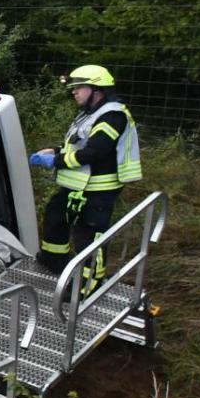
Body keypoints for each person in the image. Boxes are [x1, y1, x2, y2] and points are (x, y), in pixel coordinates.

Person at [31, 64, 143, 294]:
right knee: (55, 215)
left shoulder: (113, 116)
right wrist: (54, 151)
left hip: (100, 188)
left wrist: (58, 161)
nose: (74, 91)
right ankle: (54, 261)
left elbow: (95, 152)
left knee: (89, 236)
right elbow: (79, 145)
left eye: (79, 87)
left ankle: (88, 287)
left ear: (97, 89)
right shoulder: (90, 114)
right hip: (80, 185)